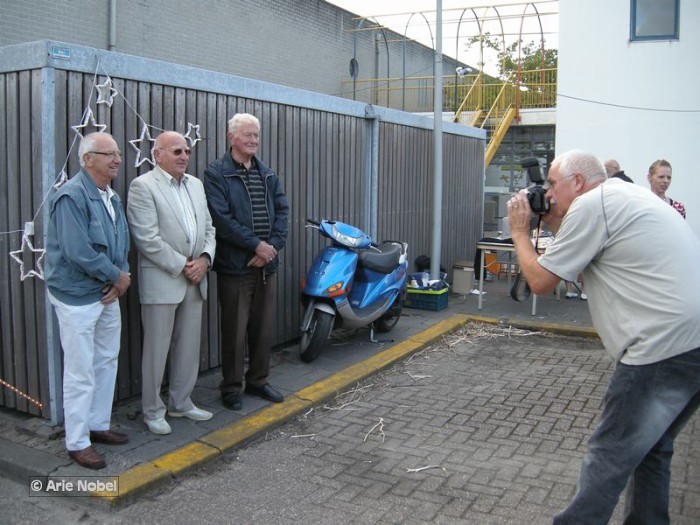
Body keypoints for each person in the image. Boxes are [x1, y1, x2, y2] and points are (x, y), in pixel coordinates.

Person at [507, 149, 700, 524]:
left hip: (662, 345)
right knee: (653, 447)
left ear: (577, 182)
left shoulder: (594, 204)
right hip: (693, 341)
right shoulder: (621, 196)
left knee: (609, 454)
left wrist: (519, 232)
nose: (547, 194)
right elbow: (579, 261)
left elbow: (541, 282)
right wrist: (548, 224)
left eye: (552, 184)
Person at [44, 132, 131, 469]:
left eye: (118, 153)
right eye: (108, 154)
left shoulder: (112, 197)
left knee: (107, 359)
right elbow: (77, 251)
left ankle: (98, 425)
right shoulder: (71, 196)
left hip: (109, 292)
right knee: (80, 371)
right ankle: (77, 442)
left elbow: (122, 242)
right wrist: (116, 276)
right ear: (87, 159)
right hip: (77, 296)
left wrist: (120, 277)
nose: (117, 159)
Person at [127, 131, 217, 435]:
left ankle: (181, 402)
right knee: (157, 349)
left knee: (188, 347)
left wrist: (205, 259)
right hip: (164, 279)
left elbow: (209, 228)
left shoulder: (196, 185)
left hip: (196, 277)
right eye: (176, 151)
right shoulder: (142, 186)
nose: (184, 156)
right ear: (157, 155)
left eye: (187, 151)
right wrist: (184, 266)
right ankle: (152, 410)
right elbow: (146, 239)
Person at [203, 113, 289, 411]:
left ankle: (258, 380)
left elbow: (282, 212)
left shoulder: (267, 173)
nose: (253, 140)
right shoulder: (217, 173)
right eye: (247, 135)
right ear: (231, 138)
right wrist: (256, 245)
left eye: (256, 135)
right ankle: (231, 387)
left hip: (266, 265)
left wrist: (272, 247)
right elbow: (220, 219)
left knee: (262, 329)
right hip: (235, 267)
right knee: (234, 331)